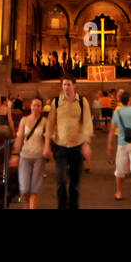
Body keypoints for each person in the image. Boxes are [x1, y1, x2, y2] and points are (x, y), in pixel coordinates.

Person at [44, 76, 95, 209]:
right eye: (64, 85)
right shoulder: (56, 102)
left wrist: (87, 143)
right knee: (61, 181)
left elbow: (87, 123)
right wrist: (47, 145)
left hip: (77, 146)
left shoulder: (82, 102)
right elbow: (50, 124)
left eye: (68, 84)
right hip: (60, 146)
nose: (66, 87)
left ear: (74, 85)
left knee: (75, 183)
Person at [13, 98, 48, 209]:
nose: (36, 107)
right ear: (30, 106)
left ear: (41, 108)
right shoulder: (24, 120)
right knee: (24, 188)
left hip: (39, 155)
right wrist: (15, 154)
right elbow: (20, 138)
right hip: (25, 155)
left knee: (35, 188)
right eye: (34, 105)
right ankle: (26, 206)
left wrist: (47, 148)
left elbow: (47, 138)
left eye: (38, 105)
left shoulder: (44, 121)